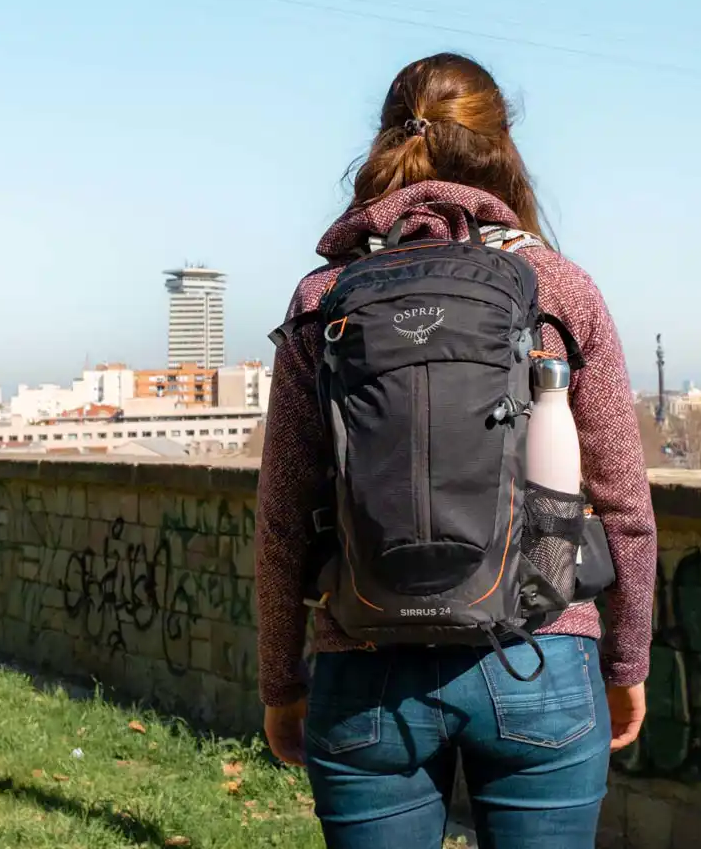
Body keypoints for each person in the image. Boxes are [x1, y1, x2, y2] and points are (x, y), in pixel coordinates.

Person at [255, 52, 656, 848]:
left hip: (363, 659)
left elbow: (283, 515)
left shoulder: (323, 297)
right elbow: (622, 504)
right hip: (540, 648)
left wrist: (281, 679)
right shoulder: (559, 286)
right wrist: (626, 661)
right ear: (502, 148)